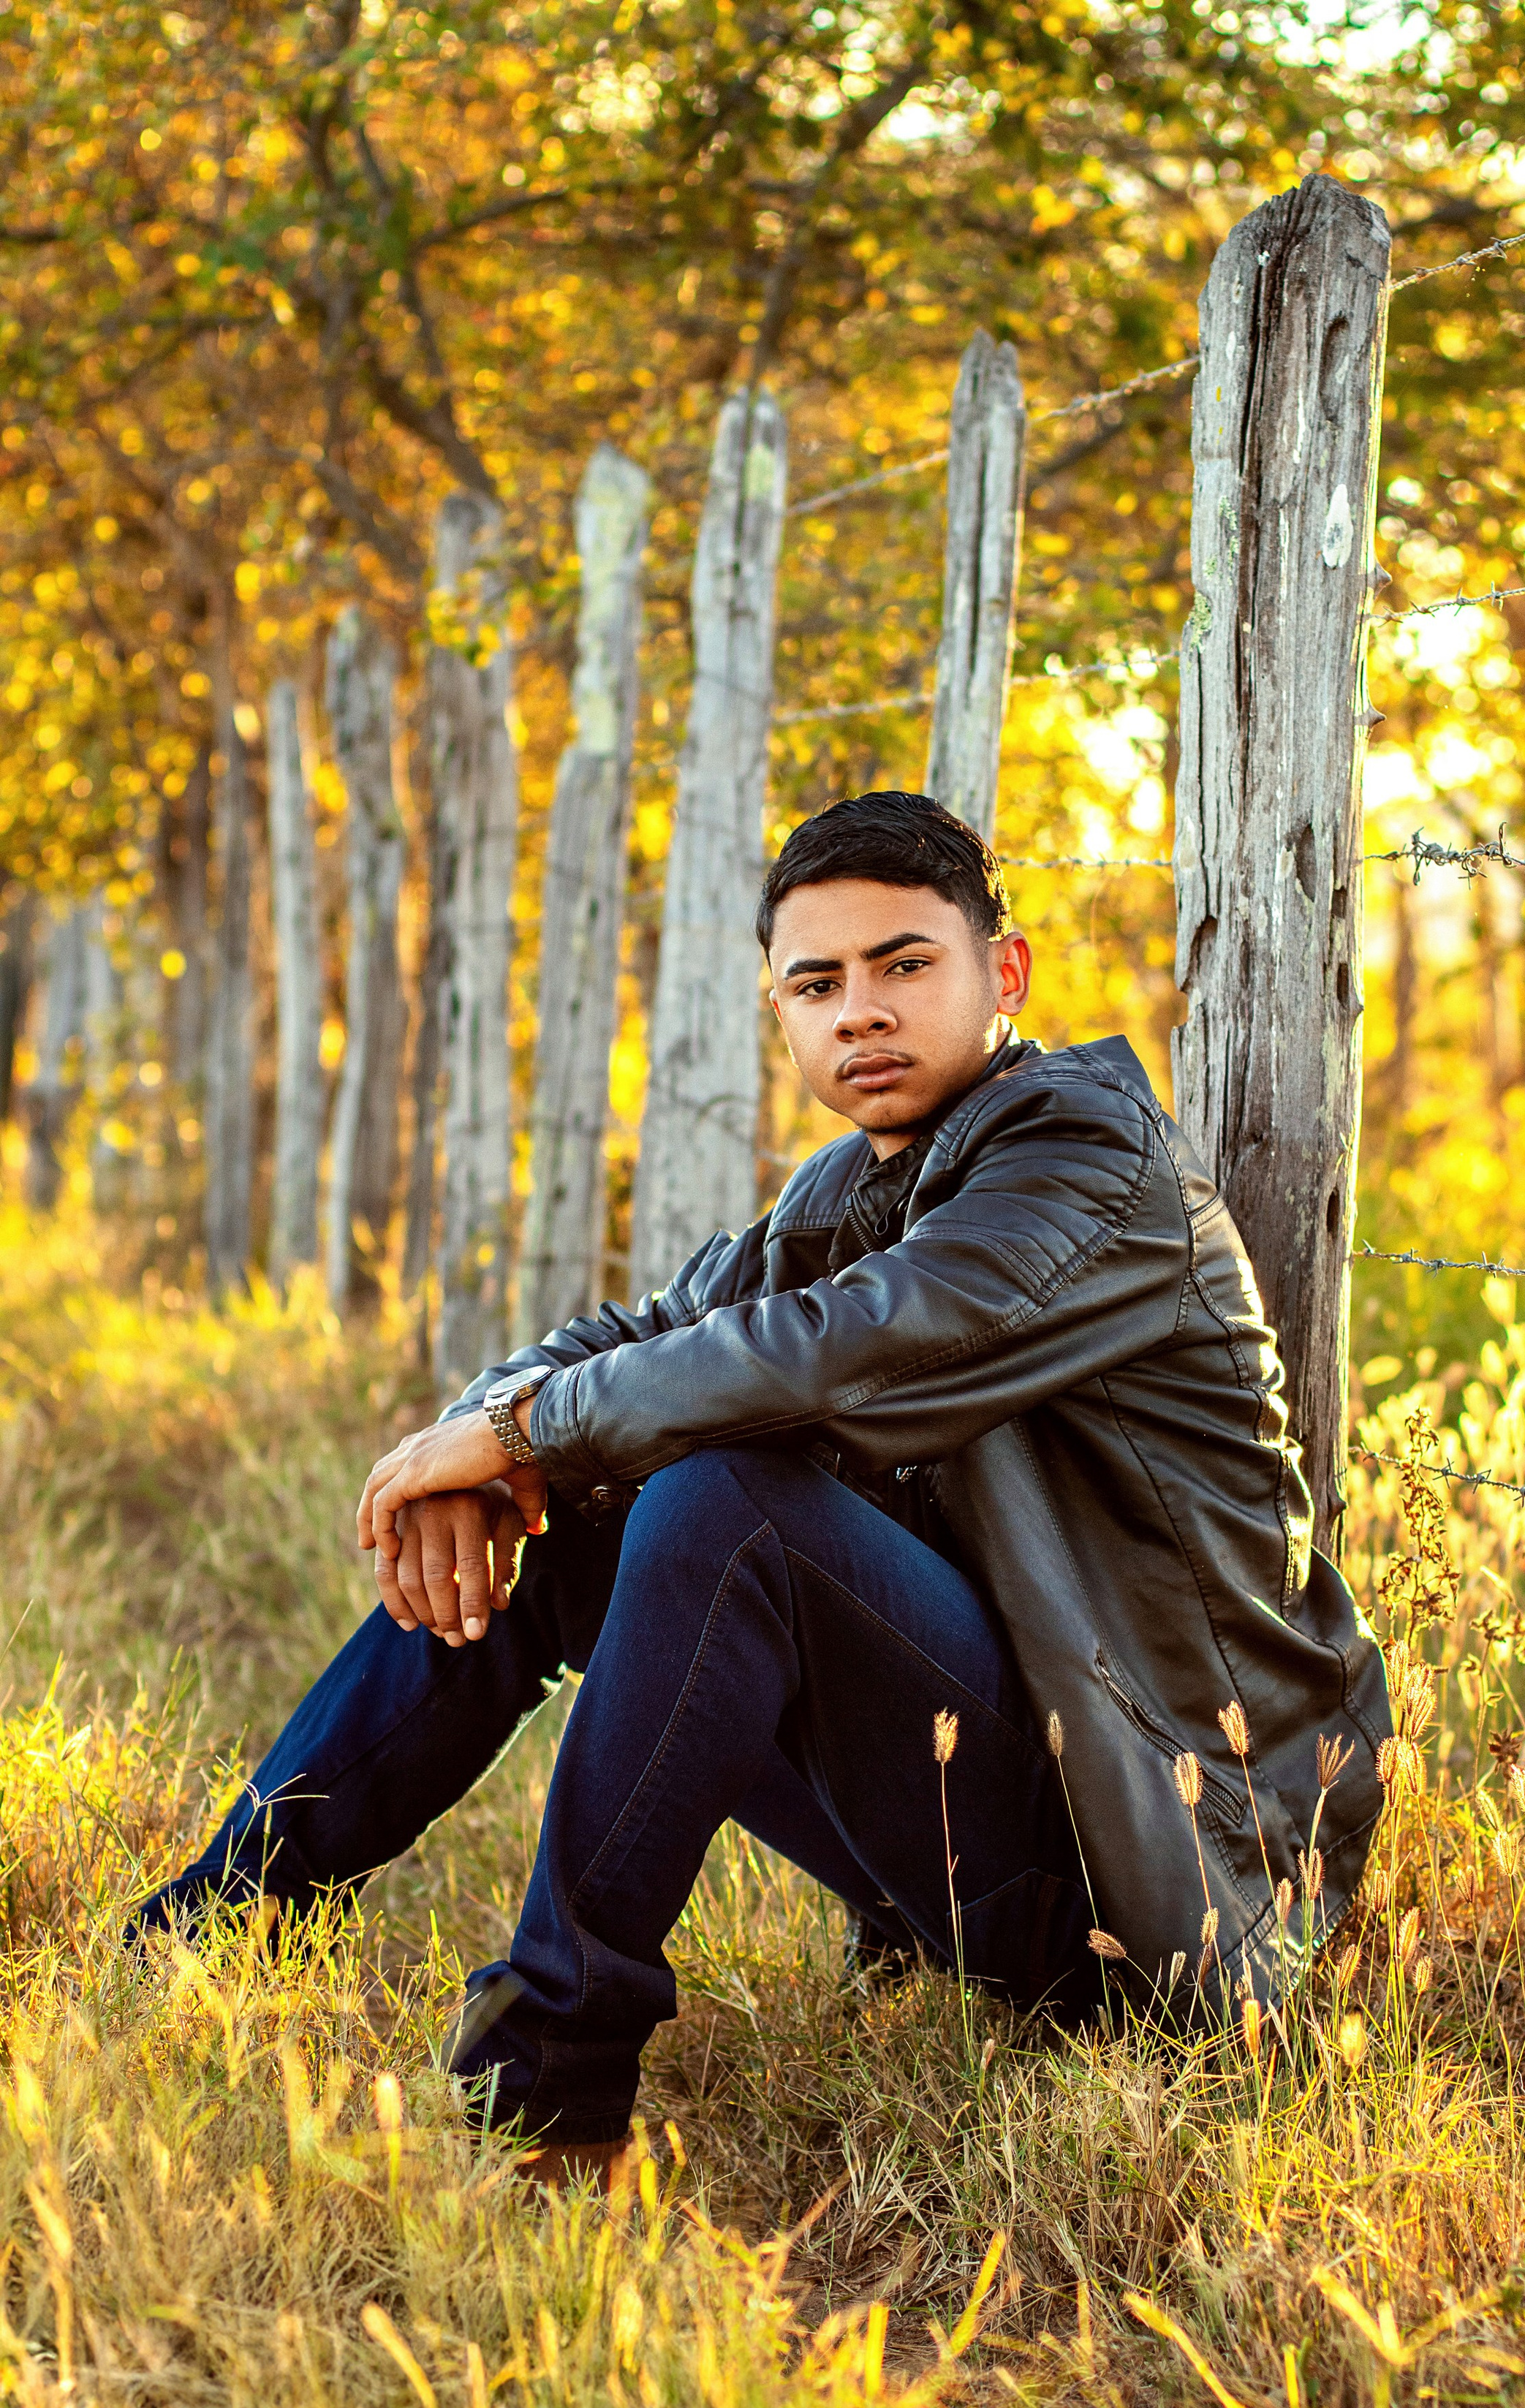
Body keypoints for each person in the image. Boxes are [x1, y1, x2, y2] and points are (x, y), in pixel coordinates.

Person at [135, 792, 1391, 2181]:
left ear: (1006, 973)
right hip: (972, 1823)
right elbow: (645, 1338)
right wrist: (487, 1439)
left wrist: (528, 1430)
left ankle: (551, 2086)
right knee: (591, 1507)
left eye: (904, 964)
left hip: (1159, 1878)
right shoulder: (847, 1193)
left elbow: (846, 1350)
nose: (862, 1011)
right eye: (818, 983)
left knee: (720, 1501)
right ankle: (211, 1931)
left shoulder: (1089, 1165)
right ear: (782, 1014)